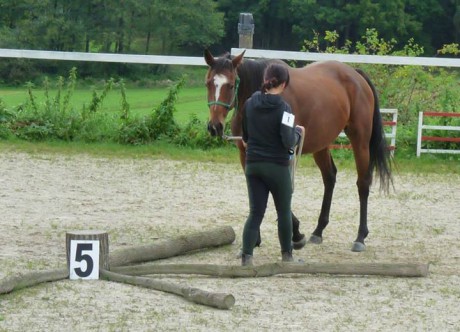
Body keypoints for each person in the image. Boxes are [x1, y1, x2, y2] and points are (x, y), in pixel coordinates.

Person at [241, 63, 303, 266]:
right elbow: (288, 141)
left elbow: (246, 137)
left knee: (255, 212)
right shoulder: (285, 109)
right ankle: (287, 255)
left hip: (253, 166)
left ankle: (247, 256)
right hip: (276, 166)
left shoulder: (249, 103)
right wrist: (297, 133)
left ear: (265, 80)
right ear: (283, 84)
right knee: (283, 211)